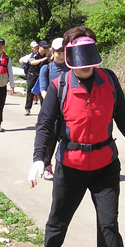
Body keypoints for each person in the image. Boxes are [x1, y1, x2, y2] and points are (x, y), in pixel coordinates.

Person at [28, 26, 125, 247]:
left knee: (109, 223)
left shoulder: (110, 80)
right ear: (69, 56)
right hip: (70, 166)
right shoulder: (61, 85)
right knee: (59, 218)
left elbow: (122, 114)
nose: (85, 68)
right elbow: (45, 125)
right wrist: (38, 159)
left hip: (105, 164)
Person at [36, 37, 69, 181]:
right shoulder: (46, 68)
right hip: (52, 111)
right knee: (50, 140)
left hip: (68, 110)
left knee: (67, 139)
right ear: (53, 52)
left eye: (64, 52)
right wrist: (51, 103)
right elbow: (43, 89)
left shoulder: (72, 69)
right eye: (58, 52)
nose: (61, 55)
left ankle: (66, 167)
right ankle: (46, 165)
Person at [25, 40, 49, 115]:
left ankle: (43, 110)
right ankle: (27, 108)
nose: (45, 49)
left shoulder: (46, 56)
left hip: (41, 76)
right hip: (32, 75)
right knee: (30, 91)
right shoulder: (35, 55)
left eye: (46, 48)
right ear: (39, 47)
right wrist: (42, 59)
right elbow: (32, 62)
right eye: (43, 47)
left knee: (42, 91)